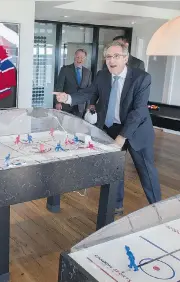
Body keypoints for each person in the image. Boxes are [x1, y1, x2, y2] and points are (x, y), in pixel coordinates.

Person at [54, 40, 161, 215]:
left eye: (116, 56)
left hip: (136, 130)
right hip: (110, 128)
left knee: (146, 171)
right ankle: (116, 205)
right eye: (108, 57)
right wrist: (68, 98)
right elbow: (89, 93)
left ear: (125, 58)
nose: (111, 60)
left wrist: (122, 137)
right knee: (114, 168)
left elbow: (138, 112)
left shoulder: (142, 78)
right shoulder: (102, 75)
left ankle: (160, 209)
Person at [54, 49, 92, 117]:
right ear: (74, 57)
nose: (79, 59)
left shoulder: (88, 72)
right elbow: (59, 87)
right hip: (65, 105)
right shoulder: (65, 69)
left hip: (80, 106)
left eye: (82, 57)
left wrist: (89, 106)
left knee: (78, 126)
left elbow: (88, 91)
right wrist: (58, 103)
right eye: (78, 57)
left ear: (85, 59)